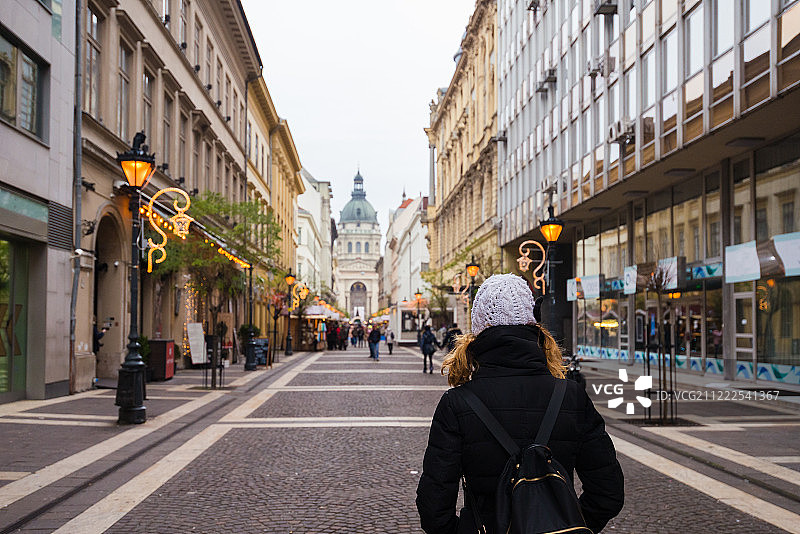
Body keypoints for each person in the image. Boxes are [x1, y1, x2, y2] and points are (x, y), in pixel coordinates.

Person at [416, 273, 624, 534]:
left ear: (478, 328)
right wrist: (573, 524)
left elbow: (434, 506)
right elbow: (608, 491)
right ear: (532, 323)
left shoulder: (457, 404)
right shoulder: (570, 395)